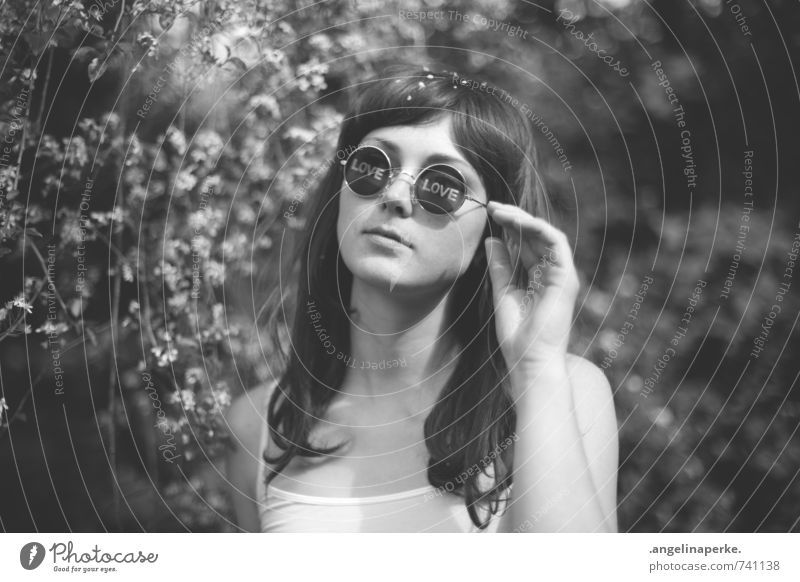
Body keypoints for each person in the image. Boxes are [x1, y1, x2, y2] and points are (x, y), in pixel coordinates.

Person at [224, 65, 619, 532]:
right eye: (372, 167)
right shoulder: (258, 428)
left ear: (493, 229)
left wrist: (535, 371)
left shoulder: (559, 393)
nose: (394, 194)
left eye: (441, 187)